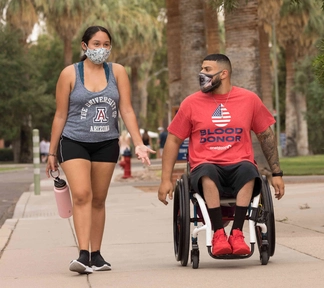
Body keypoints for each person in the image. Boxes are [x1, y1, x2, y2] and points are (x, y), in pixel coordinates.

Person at [46, 25, 155, 274]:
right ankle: (83, 255)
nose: (102, 49)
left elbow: (126, 109)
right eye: (96, 44)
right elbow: (60, 114)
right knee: (83, 194)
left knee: (99, 199)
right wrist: (52, 152)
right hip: (73, 141)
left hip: (106, 143)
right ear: (85, 46)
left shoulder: (117, 72)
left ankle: (96, 255)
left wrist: (138, 143)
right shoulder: (70, 74)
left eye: (106, 44)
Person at [158, 54, 285, 256]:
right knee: (208, 172)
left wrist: (277, 173)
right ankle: (218, 233)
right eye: (202, 69)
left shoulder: (249, 100)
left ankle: (236, 233)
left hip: (239, 164)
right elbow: (173, 140)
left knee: (249, 170)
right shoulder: (191, 103)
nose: (202, 74)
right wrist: (166, 179)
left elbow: (266, 136)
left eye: (207, 70)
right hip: (205, 166)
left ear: (223, 74)